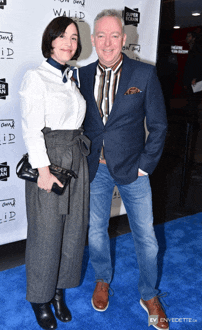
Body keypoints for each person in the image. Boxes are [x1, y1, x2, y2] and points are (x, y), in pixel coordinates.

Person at [79, 10, 169, 330]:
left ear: (124, 39)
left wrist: (146, 165)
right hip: (96, 169)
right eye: (101, 36)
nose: (107, 42)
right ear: (92, 40)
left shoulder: (143, 75)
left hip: (134, 169)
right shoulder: (82, 75)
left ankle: (149, 294)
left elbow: (158, 125)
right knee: (95, 232)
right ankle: (102, 279)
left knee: (147, 238)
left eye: (114, 35)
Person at [19, 17, 90, 330]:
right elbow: (32, 130)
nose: (69, 42)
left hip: (77, 161)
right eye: (62, 36)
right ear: (50, 40)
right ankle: (40, 297)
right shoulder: (36, 77)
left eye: (74, 37)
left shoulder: (70, 79)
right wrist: (43, 172)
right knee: (46, 233)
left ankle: (59, 291)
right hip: (50, 161)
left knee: (73, 232)